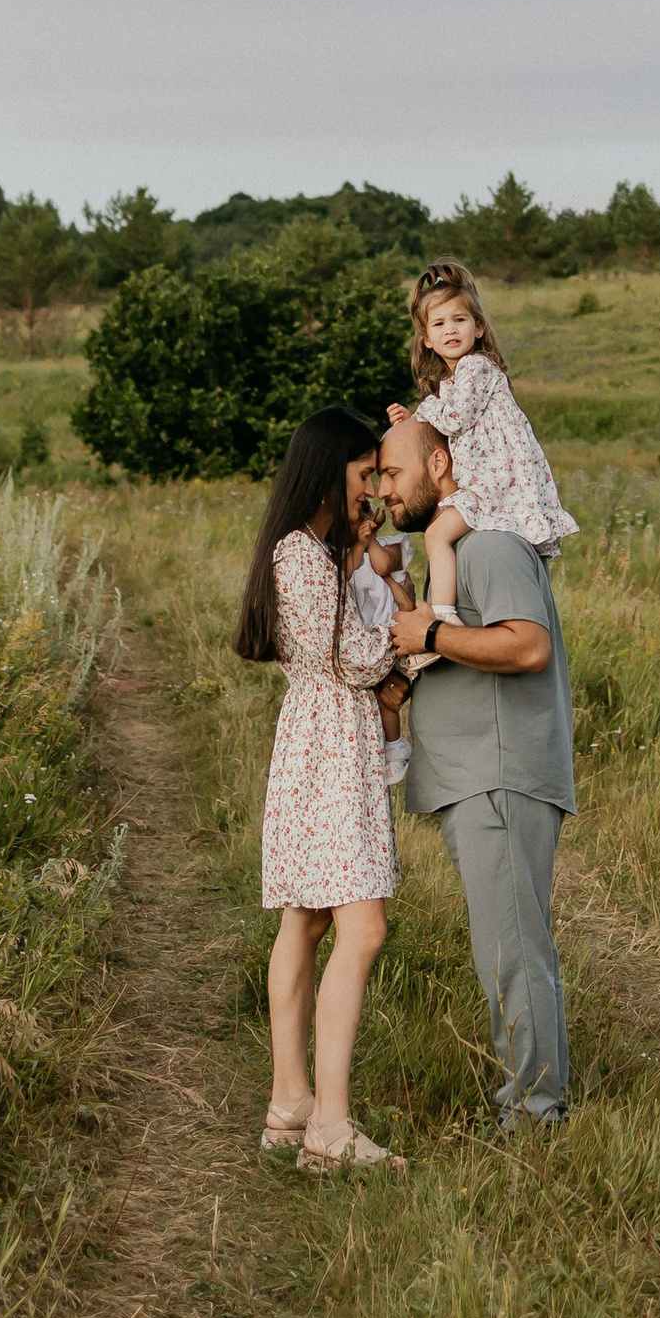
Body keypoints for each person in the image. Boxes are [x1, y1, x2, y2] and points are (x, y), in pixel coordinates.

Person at [378, 408, 575, 1126]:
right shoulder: (451, 553)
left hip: (499, 776)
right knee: (508, 946)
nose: (384, 493)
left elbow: (526, 646)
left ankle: (535, 1114)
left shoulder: (490, 544)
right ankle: (532, 1100)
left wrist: (429, 629)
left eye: (393, 474)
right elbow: (452, 642)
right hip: (478, 777)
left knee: (513, 951)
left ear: (439, 466)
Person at [234, 405, 407, 1173]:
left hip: (315, 742)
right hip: (332, 744)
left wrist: (362, 563)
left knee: (304, 922)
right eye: (364, 472)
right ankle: (329, 1127)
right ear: (327, 470)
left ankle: (290, 1104)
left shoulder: (309, 553)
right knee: (360, 928)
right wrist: (420, 634)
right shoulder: (298, 556)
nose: (372, 487)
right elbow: (357, 662)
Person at [400, 261, 577, 685]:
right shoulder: (455, 379)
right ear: (427, 338)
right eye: (439, 323)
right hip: (491, 479)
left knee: (438, 534)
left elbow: (455, 419)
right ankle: (440, 616)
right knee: (441, 532)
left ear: (479, 327)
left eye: (459, 319)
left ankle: (440, 619)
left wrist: (421, 410)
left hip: (496, 482)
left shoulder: (477, 369)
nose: (450, 330)